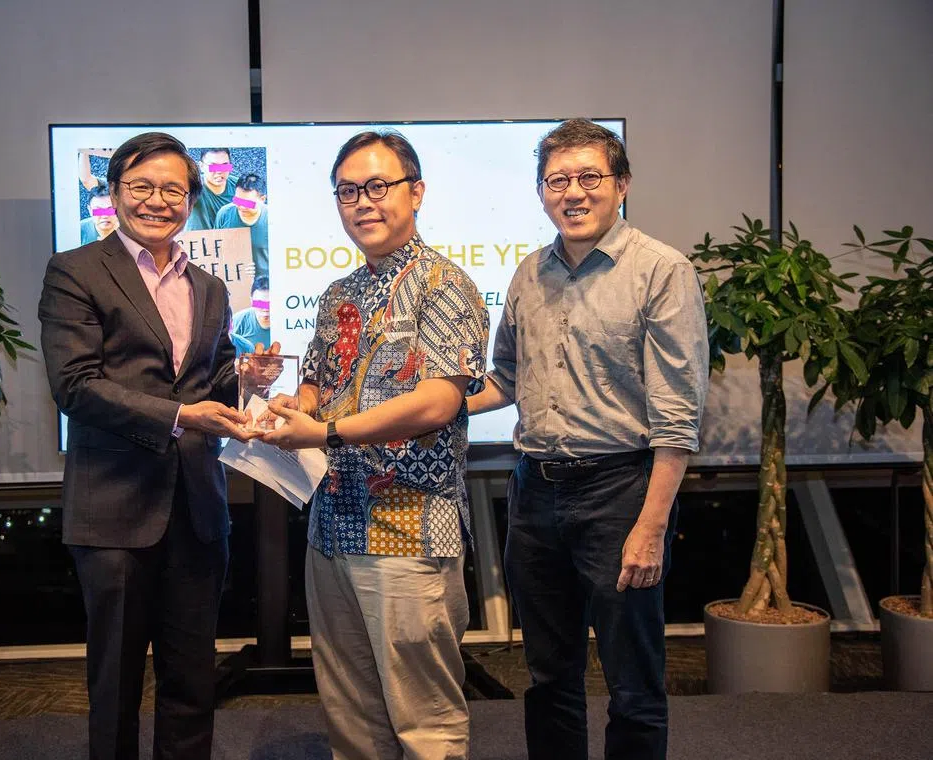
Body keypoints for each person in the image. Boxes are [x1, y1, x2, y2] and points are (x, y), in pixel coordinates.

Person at [466, 119, 709, 760]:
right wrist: (418, 407)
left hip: (621, 492)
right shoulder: (528, 273)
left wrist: (650, 526)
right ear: (542, 191)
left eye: (589, 177)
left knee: (632, 683)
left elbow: (678, 418)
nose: (573, 192)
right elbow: (507, 380)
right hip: (534, 492)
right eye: (557, 180)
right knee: (549, 676)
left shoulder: (662, 272)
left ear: (621, 184)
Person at [260, 130, 489, 760]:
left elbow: (439, 402)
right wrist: (294, 406)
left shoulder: (445, 284)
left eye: (378, 186)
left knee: (426, 721)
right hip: (332, 524)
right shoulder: (337, 295)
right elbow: (316, 381)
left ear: (416, 192)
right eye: (348, 191)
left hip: (410, 530)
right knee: (351, 714)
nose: (363, 202)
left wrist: (326, 431)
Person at [38, 131, 258, 760]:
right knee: (116, 685)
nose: (158, 201)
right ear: (113, 193)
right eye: (142, 186)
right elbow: (75, 386)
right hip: (114, 510)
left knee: (192, 681)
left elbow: (207, 382)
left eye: (173, 189)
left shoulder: (210, 287)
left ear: (191, 199)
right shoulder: (75, 271)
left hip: (198, 509)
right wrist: (181, 413)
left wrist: (244, 379)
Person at [214, 172, 269, 277]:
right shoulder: (224, 213)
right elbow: (215, 249)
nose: (241, 207)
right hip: (232, 282)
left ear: (262, 199)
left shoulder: (272, 219)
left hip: (265, 287)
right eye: (238, 200)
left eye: (248, 203)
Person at [184, 147, 237, 231]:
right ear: (201, 166)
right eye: (213, 166)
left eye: (224, 166)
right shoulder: (192, 186)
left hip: (230, 241)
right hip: (196, 241)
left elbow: (255, 208)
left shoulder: (239, 187)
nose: (219, 171)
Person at [230, 275, 271, 351]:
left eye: (270, 304)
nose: (266, 309)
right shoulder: (239, 320)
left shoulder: (287, 321)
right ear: (251, 301)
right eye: (260, 304)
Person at [79, 179, 119, 244]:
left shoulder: (131, 231)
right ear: (90, 210)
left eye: (109, 209)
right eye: (98, 210)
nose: (105, 216)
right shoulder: (78, 231)